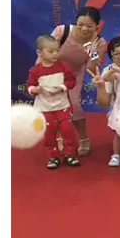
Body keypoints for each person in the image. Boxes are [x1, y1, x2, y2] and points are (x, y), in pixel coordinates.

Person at [44, 7, 106, 157]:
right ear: (76, 22)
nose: (84, 29)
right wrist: (38, 74)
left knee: (75, 105)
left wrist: (91, 48)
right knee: (56, 106)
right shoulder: (62, 31)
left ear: (97, 25)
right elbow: (45, 52)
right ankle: (60, 138)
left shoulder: (99, 42)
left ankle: (83, 138)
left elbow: (90, 67)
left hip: (74, 74)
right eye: (80, 24)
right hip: (54, 72)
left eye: (89, 26)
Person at [26, 35, 80, 169]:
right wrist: (35, 89)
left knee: (67, 129)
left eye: (57, 50)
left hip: (63, 105)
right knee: (49, 133)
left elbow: (71, 81)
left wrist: (61, 88)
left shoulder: (63, 66)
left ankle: (69, 154)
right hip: (44, 108)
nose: (55, 54)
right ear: (39, 53)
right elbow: (30, 85)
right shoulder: (35, 70)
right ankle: (53, 155)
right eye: (51, 51)